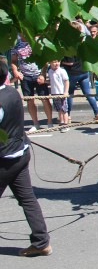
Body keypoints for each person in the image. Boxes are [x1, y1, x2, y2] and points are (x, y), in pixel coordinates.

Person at [0, 59, 52, 257]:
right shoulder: (12, 92)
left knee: (27, 199)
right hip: (20, 153)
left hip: (5, 158)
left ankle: (41, 242)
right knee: (28, 199)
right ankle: (41, 242)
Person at [10, 35, 53, 130]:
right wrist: (16, 71)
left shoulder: (36, 42)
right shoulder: (16, 45)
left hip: (38, 74)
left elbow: (45, 59)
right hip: (25, 76)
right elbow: (13, 61)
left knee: (45, 99)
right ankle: (35, 123)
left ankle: (50, 122)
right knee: (30, 100)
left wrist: (43, 74)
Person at [46, 60, 70, 132]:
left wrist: (65, 92)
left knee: (64, 109)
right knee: (59, 109)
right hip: (54, 93)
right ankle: (61, 123)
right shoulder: (50, 71)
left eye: (58, 62)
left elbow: (66, 81)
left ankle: (65, 124)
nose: (56, 64)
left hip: (62, 92)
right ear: (50, 63)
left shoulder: (62, 71)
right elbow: (50, 81)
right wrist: (44, 81)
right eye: (54, 62)